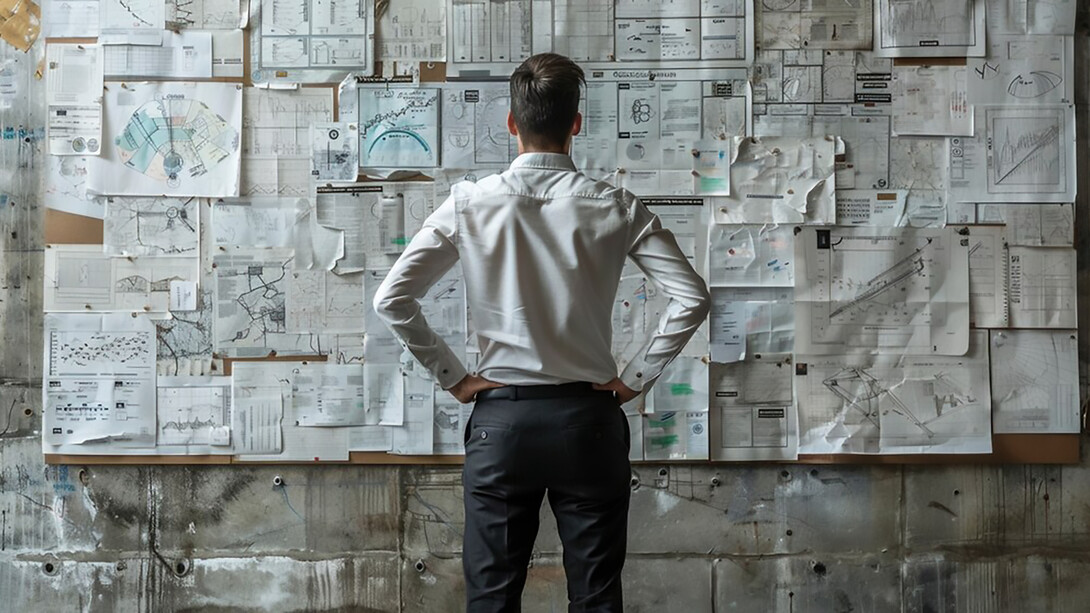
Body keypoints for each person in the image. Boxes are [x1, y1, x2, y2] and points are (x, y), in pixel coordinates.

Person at [372, 53, 711, 613]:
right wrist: (634, 380)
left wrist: (454, 378)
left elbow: (393, 299)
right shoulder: (617, 206)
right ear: (576, 123)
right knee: (597, 599)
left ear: (512, 122)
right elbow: (692, 297)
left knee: (492, 599)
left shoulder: (470, 203)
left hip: (502, 425)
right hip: (589, 424)